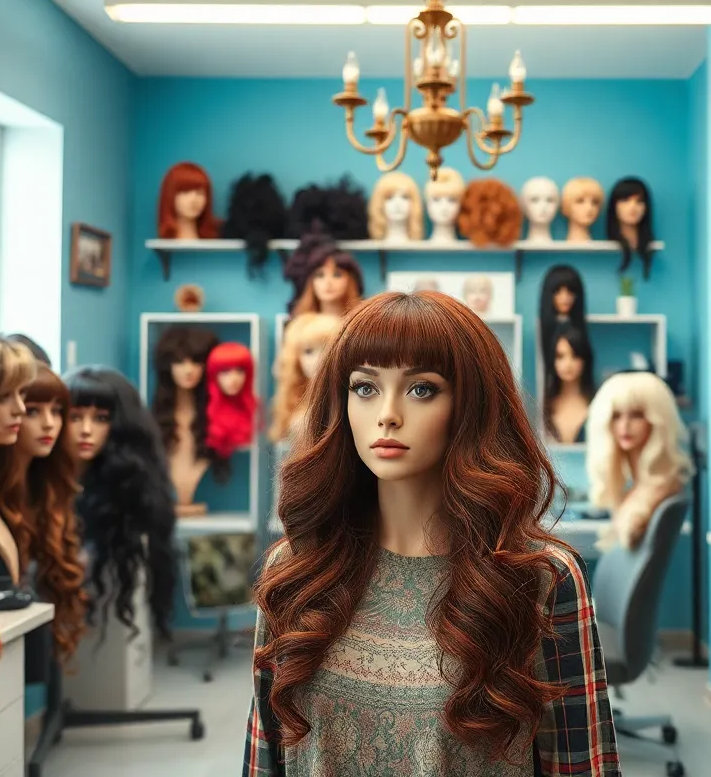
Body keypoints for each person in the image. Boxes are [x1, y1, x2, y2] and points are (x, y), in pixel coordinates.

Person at [244, 290, 619, 776]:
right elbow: (263, 761)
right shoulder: (295, 572)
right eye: (365, 387)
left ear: (472, 406)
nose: (388, 413)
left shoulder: (539, 579)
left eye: (422, 389)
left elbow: (583, 766)